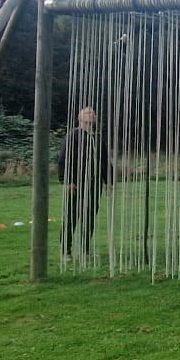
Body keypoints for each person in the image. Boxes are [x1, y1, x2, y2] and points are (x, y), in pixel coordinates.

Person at [60, 107, 110, 259]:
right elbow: (63, 159)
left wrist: (109, 181)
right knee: (71, 216)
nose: (92, 115)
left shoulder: (97, 137)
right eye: (88, 113)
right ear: (80, 118)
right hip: (77, 184)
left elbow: (105, 161)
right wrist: (67, 181)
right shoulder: (73, 136)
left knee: (89, 217)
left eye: (93, 113)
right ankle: (65, 251)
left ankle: (85, 250)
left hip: (94, 184)